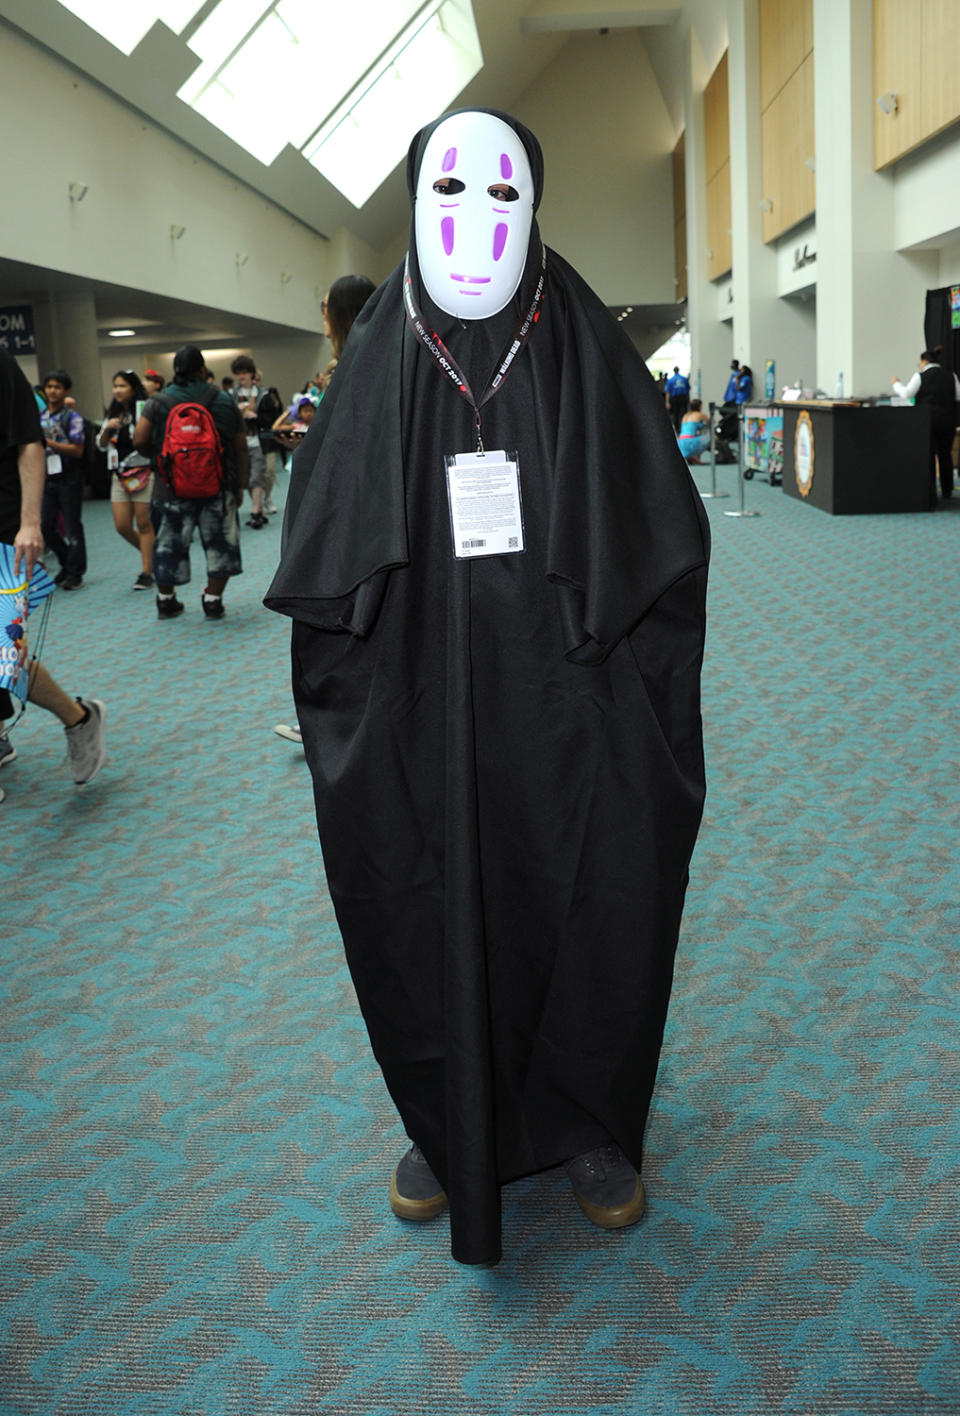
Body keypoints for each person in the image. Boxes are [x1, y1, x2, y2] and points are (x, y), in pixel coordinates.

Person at [265, 109, 709, 1265]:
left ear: (540, 204)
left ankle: (593, 1122)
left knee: (600, 888)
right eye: (450, 191)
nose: (475, 222)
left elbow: (663, 535)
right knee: (420, 890)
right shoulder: (378, 357)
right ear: (413, 202)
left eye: (504, 195)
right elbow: (323, 555)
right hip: (423, 697)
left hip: (579, 695)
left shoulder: (582, 345)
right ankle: (445, 1117)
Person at [271, 276, 374, 747]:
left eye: (326, 308)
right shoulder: (359, 359)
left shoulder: (363, 360)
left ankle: (339, 718)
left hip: (353, 518)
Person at [0, 350, 107, 797]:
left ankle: (80, 718)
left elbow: (29, 442)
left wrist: (30, 523)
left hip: (4, 528)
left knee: (5, 651)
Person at [133, 345, 247, 620]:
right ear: (202, 370)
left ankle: (166, 600)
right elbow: (240, 446)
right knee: (221, 543)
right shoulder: (222, 400)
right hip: (217, 485)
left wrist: (160, 459)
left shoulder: (157, 402)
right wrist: (239, 485)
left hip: (169, 487)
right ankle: (213, 599)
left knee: (168, 543)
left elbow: (139, 440)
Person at [98, 369, 155, 590]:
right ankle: (151, 553)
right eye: (115, 386)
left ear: (133, 388)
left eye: (122, 386)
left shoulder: (144, 409)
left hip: (143, 471)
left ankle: (146, 571)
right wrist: (107, 430)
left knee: (143, 523)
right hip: (119, 475)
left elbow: (149, 439)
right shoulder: (113, 412)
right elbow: (101, 445)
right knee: (122, 525)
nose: (118, 390)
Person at [892, 347, 960, 502]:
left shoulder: (920, 376)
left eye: (920, 363)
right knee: (945, 455)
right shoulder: (952, 376)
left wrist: (896, 384)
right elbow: (958, 396)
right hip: (947, 422)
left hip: (927, 421)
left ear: (924, 361)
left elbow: (906, 394)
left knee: (929, 456)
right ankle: (947, 491)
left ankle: (930, 493)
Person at [39, 369, 87, 591]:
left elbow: (77, 450)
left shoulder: (73, 418)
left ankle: (76, 573)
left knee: (72, 526)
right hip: (47, 477)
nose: (52, 391)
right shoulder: (40, 417)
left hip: (69, 477)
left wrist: (50, 443)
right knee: (46, 526)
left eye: (57, 387)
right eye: (49, 387)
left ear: (65, 391)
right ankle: (67, 562)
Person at [229, 355, 271, 529]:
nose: (242, 377)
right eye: (239, 373)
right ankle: (259, 510)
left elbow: (270, 418)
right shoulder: (232, 395)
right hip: (240, 443)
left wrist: (256, 416)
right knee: (245, 478)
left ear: (252, 373)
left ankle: (255, 511)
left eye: (245, 373)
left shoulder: (263, 394)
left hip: (257, 441)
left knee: (257, 475)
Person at [676, 398, 711, 463]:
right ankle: (696, 456)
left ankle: (690, 456)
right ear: (699, 406)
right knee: (711, 437)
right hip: (690, 442)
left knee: (697, 435)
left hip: (680, 442)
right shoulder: (700, 414)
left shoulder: (685, 415)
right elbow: (711, 422)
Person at [664, 365, 690, 432]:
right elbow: (688, 389)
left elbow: (668, 392)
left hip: (674, 399)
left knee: (676, 414)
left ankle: (677, 429)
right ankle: (684, 429)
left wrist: (667, 402)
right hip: (683, 398)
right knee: (684, 413)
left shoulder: (670, 380)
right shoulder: (684, 379)